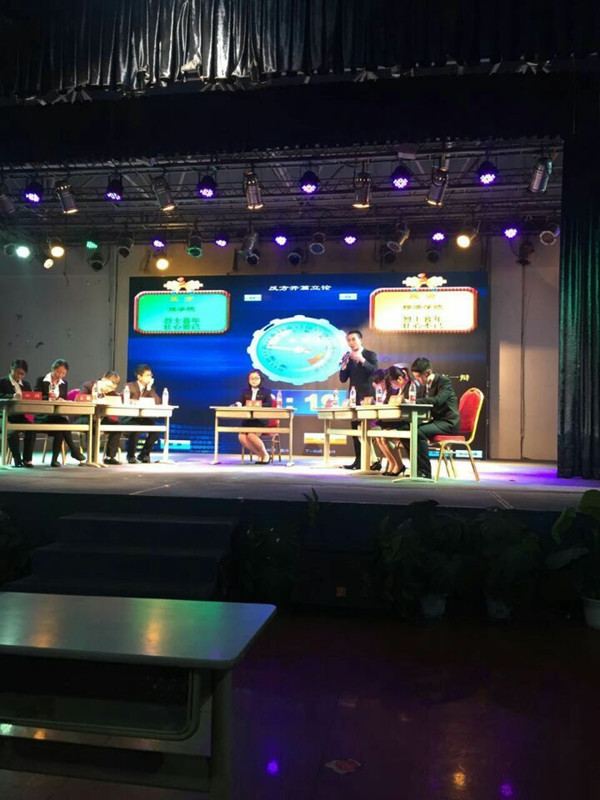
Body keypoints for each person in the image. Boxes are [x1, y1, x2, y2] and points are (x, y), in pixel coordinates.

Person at [410, 357, 460, 479]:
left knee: (418, 432)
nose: (417, 380)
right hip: (437, 421)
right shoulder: (424, 385)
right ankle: (416, 469)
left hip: (448, 423)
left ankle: (425, 471)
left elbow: (438, 400)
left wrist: (413, 401)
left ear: (427, 373)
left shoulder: (444, 381)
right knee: (408, 428)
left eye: (418, 377)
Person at [34, 359, 86, 467]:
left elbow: (63, 399)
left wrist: (62, 400)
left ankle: (55, 460)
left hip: (56, 416)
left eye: (63, 373)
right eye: (58, 372)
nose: (60, 375)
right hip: (43, 415)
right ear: (52, 369)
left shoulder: (64, 383)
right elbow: (36, 397)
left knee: (61, 426)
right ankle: (73, 450)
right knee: (62, 425)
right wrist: (49, 397)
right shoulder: (41, 380)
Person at [339, 329, 378, 470]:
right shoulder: (348, 357)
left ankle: (372, 460)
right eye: (348, 340)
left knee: (366, 430)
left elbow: (374, 371)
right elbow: (343, 379)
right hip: (353, 397)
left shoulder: (370, 355)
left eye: (353, 339)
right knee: (355, 430)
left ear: (360, 340)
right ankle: (358, 460)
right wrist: (344, 366)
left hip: (367, 397)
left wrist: (361, 360)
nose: (351, 342)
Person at [370, 365, 410, 476]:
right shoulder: (396, 390)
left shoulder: (407, 388)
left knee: (382, 435)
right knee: (380, 435)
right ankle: (394, 463)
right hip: (393, 421)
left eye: (391, 382)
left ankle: (398, 464)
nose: (391, 385)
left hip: (403, 422)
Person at [0, 358, 36, 467]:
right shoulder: (2, 382)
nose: (19, 376)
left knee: (32, 429)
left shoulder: (26, 384)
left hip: (19, 416)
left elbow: (29, 399)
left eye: (22, 374)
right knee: (12, 431)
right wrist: (12, 396)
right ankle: (17, 458)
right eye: (17, 372)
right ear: (12, 368)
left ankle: (27, 459)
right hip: (4, 416)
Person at [80, 371, 122, 465]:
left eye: (112, 388)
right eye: (108, 386)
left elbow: (117, 401)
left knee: (117, 426)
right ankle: (92, 457)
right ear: (103, 379)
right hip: (85, 417)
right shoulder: (88, 386)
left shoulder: (111, 393)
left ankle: (110, 456)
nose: (109, 389)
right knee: (94, 425)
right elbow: (80, 401)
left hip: (101, 418)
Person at [124, 364, 161, 463]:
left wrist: (149, 389)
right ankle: (130, 456)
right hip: (129, 417)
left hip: (141, 417)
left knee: (155, 430)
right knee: (136, 429)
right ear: (139, 377)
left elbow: (157, 402)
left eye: (151, 375)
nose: (150, 377)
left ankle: (144, 454)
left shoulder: (149, 388)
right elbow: (128, 400)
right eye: (148, 375)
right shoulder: (129, 386)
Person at [235, 370, 274, 465]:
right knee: (241, 437)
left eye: (256, 378)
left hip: (260, 420)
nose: (254, 380)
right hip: (247, 420)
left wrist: (256, 405)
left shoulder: (266, 391)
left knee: (251, 435)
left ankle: (266, 455)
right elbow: (240, 402)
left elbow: (269, 404)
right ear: (248, 380)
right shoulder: (245, 391)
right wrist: (238, 404)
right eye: (251, 378)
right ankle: (260, 455)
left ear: (261, 379)